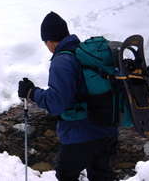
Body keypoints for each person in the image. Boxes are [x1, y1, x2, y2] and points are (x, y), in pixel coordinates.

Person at [18, 11, 118, 181]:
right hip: (108, 127)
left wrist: (32, 93)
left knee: (65, 175)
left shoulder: (62, 61)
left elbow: (57, 103)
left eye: (45, 42)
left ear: (49, 41)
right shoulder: (85, 53)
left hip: (80, 134)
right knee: (101, 176)